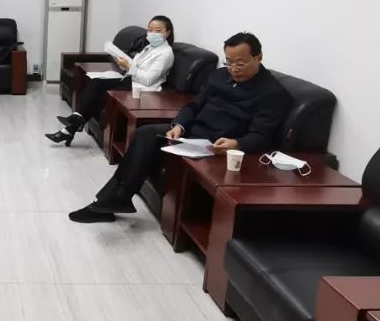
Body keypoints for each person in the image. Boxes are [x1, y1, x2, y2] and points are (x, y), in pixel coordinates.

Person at [69, 32, 292, 223]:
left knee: (147, 138)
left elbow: (262, 136)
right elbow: (193, 106)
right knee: (145, 133)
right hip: (191, 135)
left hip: (217, 145)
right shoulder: (219, 76)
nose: (233, 69)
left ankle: (110, 202)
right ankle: (115, 199)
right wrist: (179, 125)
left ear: (258, 57)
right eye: (229, 62)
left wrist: (236, 143)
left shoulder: (272, 93)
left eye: (240, 63)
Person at [46, 15, 175, 145]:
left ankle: (72, 125)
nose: (153, 33)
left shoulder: (166, 53)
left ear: (168, 32)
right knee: (97, 83)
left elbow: (149, 79)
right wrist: (122, 63)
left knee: (99, 86)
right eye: (150, 30)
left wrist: (128, 66)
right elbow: (134, 66)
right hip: (132, 80)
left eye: (158, 30)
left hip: (143, 89)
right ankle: (72, 125)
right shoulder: (148, 47)